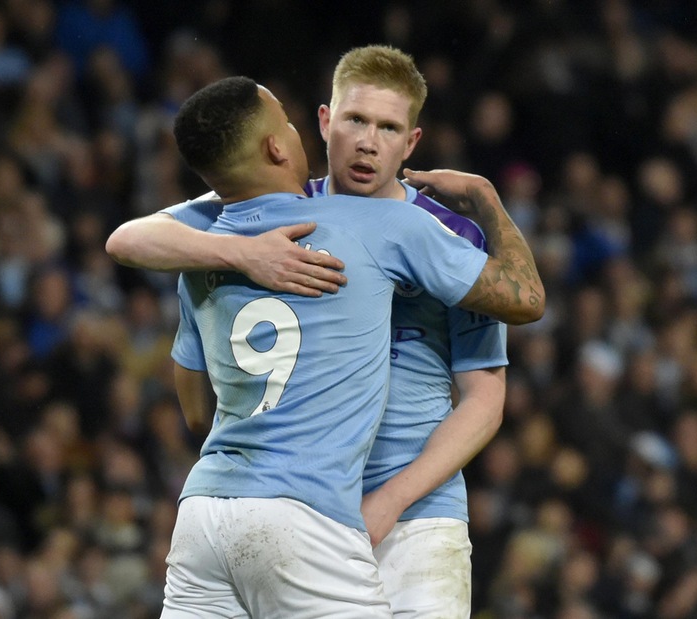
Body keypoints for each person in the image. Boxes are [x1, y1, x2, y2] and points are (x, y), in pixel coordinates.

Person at [106, 46, 531, 617]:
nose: (368, 141)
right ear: (325, 122)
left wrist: (389, 501)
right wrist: (245, 254)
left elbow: (484, 399)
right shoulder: (269, 205)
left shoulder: (445, 233)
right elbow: (130, 237)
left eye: (388, 128)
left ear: (410, 144)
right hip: (305, 504)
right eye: (356, 120)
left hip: (414, 517)